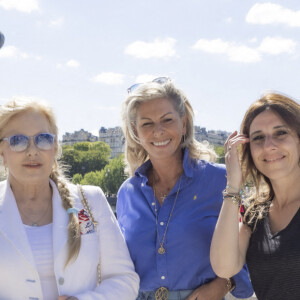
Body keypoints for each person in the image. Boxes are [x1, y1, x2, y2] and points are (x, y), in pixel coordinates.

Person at [117, 77, 253, 300]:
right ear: (135, 131)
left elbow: (250, 249)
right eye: (147, 123)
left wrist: (224, 283)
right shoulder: (127, 193)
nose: (158, 131)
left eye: (167, 120)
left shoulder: (221, 180)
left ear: (184, 123)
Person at [0, 99, 139, 299]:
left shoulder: (92, 201)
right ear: (2, 152)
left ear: (55, 147)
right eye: (18, 141)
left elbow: (125, 279)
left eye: (43, 139)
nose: (32, 151)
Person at [210, 92, 300, 300]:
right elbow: (224, 268)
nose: (269, 146)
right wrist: (233, 185)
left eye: (280, 133)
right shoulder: (255, 214)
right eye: (258, 137)